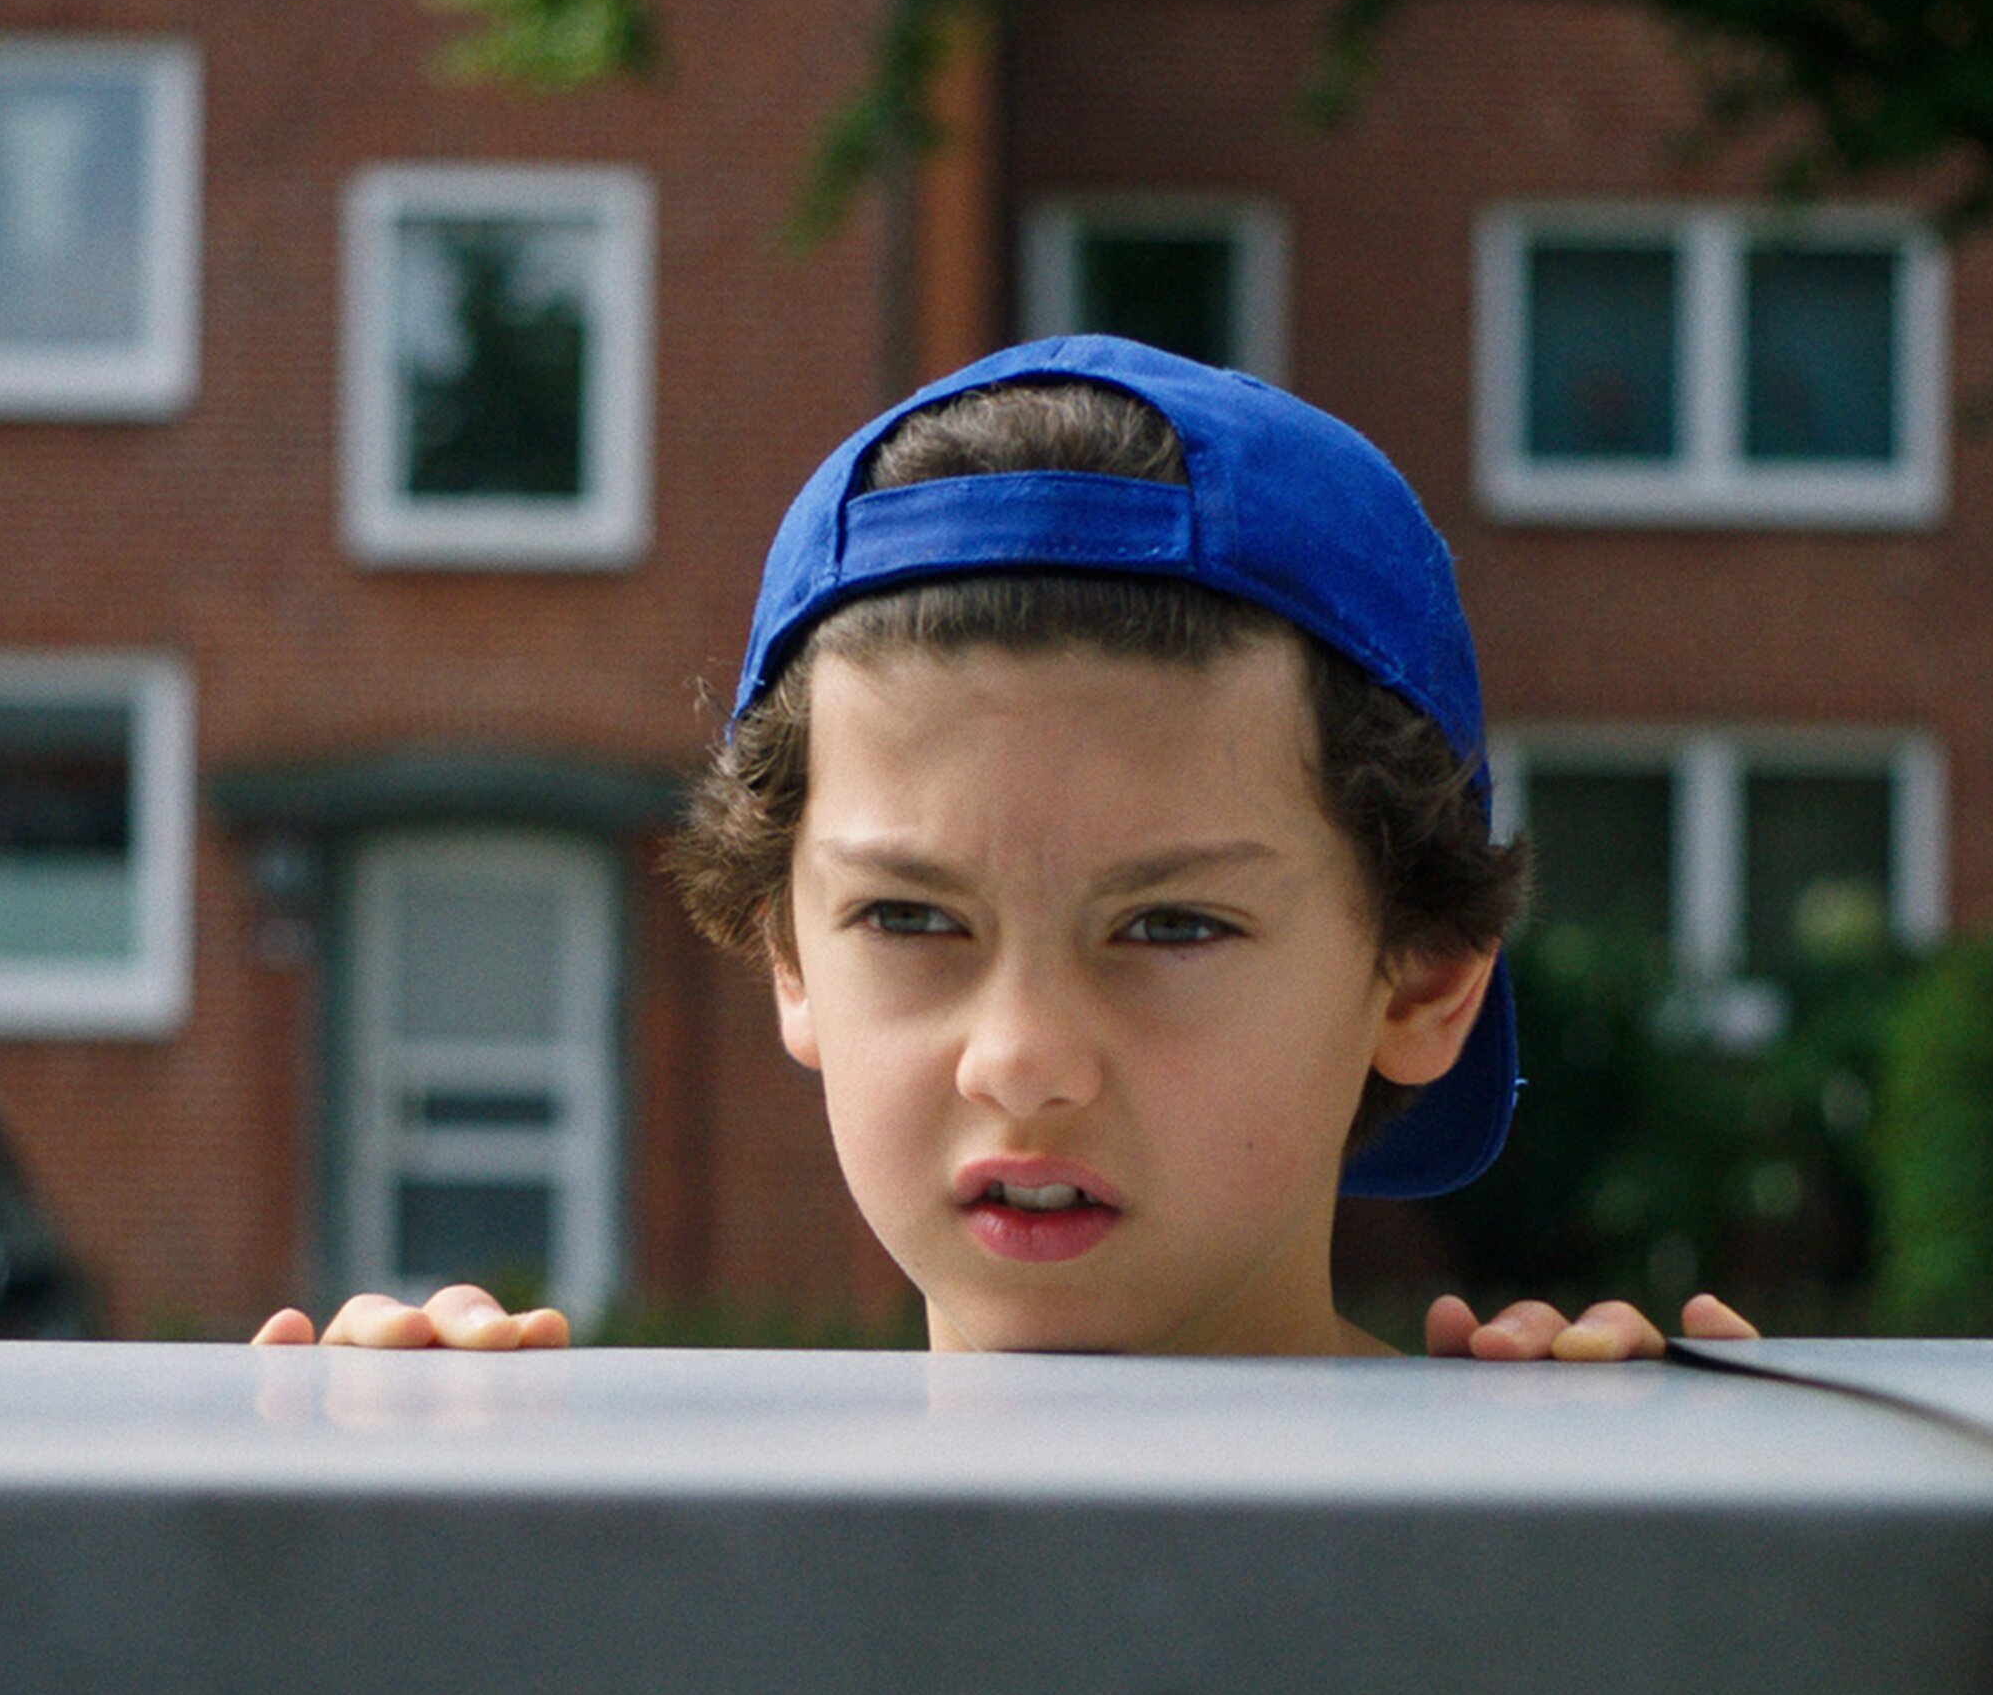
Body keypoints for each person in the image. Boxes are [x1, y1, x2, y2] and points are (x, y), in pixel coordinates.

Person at [256, 336, 1754, 1361]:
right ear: (788, 954)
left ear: (1422, 976)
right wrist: (384, 1574)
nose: (1023, 1062)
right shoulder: (652, 1547)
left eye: (1171, 925)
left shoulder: (1576, 1539)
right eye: (910, 918)